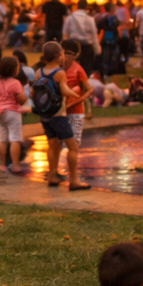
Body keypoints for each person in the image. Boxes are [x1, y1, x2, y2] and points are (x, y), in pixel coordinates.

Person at [31, 42, 86, 191]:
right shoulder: (59, 73)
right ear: (58, 56)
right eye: (62, 53)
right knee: (73, 147)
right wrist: (75, 94)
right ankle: (74, 181)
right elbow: (63, 90)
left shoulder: (39, 72)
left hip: (45, 116)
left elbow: (33, 92)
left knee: (53, 145)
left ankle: (52, 176)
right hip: (58, 115)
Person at [0, 56, 30, 174]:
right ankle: (15, 166)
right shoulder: (16, 83)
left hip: (0, 113)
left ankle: (2, 165)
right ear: (15, 70)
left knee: (3, 140)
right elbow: (21, 101)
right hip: (13, 113)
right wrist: (27, 94)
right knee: (15, 139)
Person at [62, 38, 94, 151]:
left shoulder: (78, 69)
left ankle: (72, 168)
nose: (65, 56)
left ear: (76, 55)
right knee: (59, 143)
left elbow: (89, 89)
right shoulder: (56, 68)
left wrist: (80, 99)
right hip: (60, 112)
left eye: (69, 53)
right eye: (63, 52)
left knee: (74, 144)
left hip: (75, 111)